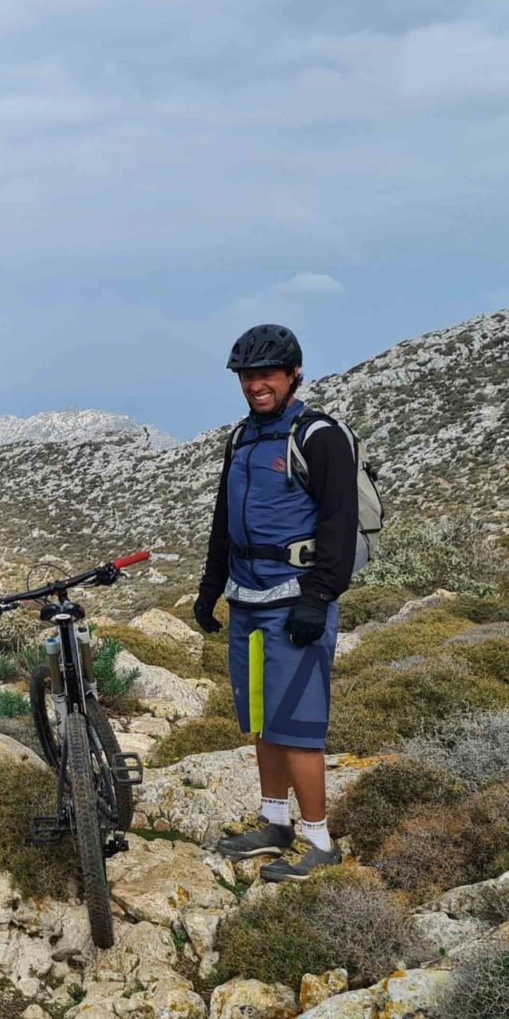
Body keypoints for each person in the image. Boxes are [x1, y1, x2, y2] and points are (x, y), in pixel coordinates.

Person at [194, 323, 359, 881]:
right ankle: (275, 821)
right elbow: (224, 520)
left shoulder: (319, 436)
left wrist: (319, 597)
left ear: (293, 375)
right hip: (245, 597)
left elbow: (340, 523)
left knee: (298, 723)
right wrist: (209, 589)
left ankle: (319, 839)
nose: (256, 385)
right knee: (262, 718)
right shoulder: (241, 439)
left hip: (295, 600)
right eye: (247, 376)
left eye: (266, 374)